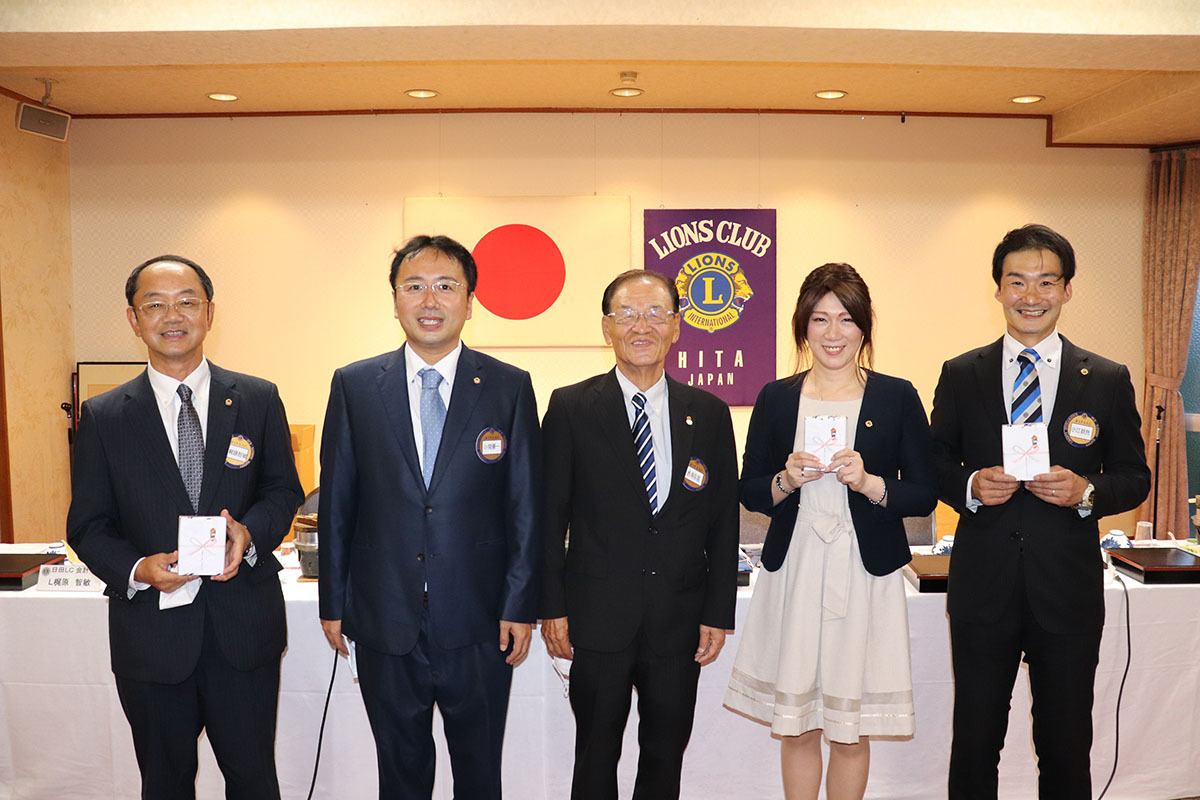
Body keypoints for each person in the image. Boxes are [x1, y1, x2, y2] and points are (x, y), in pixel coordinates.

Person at [67, 255, 304, 800]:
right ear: (134, 320)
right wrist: (137, 568)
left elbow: (282, 492)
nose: (172, 315)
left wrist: (248, 534)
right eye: (155, 304)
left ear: (209, 313)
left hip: (243, 630)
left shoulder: (259, 398)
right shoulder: (104, 415)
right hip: (152, 637)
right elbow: (89, 525)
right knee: (165, 784)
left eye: (187, 302)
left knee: (253, 781)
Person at [930, 224, 1150, 799]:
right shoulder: (962, 373)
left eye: (1047, 282)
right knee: (975, 744)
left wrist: (1086, 491)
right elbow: (934, 464)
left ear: (1067, 290)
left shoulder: (1107, 378)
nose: (1032, 295)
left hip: (1067, 592)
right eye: (1018, 281)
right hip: (983, 589)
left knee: (1065, 746)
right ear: (998, 289)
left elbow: (1134, 477)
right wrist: (971, 484)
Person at [317, 235, 541, 799]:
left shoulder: (509, 386)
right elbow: (338, 502)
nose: (430, 300)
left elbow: (525, 506)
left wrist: (519, 604)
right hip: (384, 616)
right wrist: (333, 603)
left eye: (446, 286)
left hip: (480, 619)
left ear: (471, 301)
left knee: (480, 774)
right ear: (394, 301)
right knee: (400, 775)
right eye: (414, 286)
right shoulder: (355, 385)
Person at [723, 262, 938, 800]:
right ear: (803, 327)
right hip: (795, 570)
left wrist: (869, 483)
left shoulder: (896, 396)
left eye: (846, 319)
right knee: (797, 724)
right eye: (820, 319)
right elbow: (749, 490)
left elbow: (923, 493)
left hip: (865, 573)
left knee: (849, 728)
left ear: (864, 327)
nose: (833, 333)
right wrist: (785, 479)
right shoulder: (776, 397)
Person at [540, 269, 740, 800]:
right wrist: (551, 607)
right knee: (594, 756)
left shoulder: (709, 413)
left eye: (655, 313)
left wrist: (717, 612)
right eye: (627, 314)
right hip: (597, 617)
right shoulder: (571, 407)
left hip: (678, 619)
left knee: (665, 758)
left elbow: (723, 523)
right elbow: (548, 519)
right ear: (607, 327)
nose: (641, 325)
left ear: (676, 326)